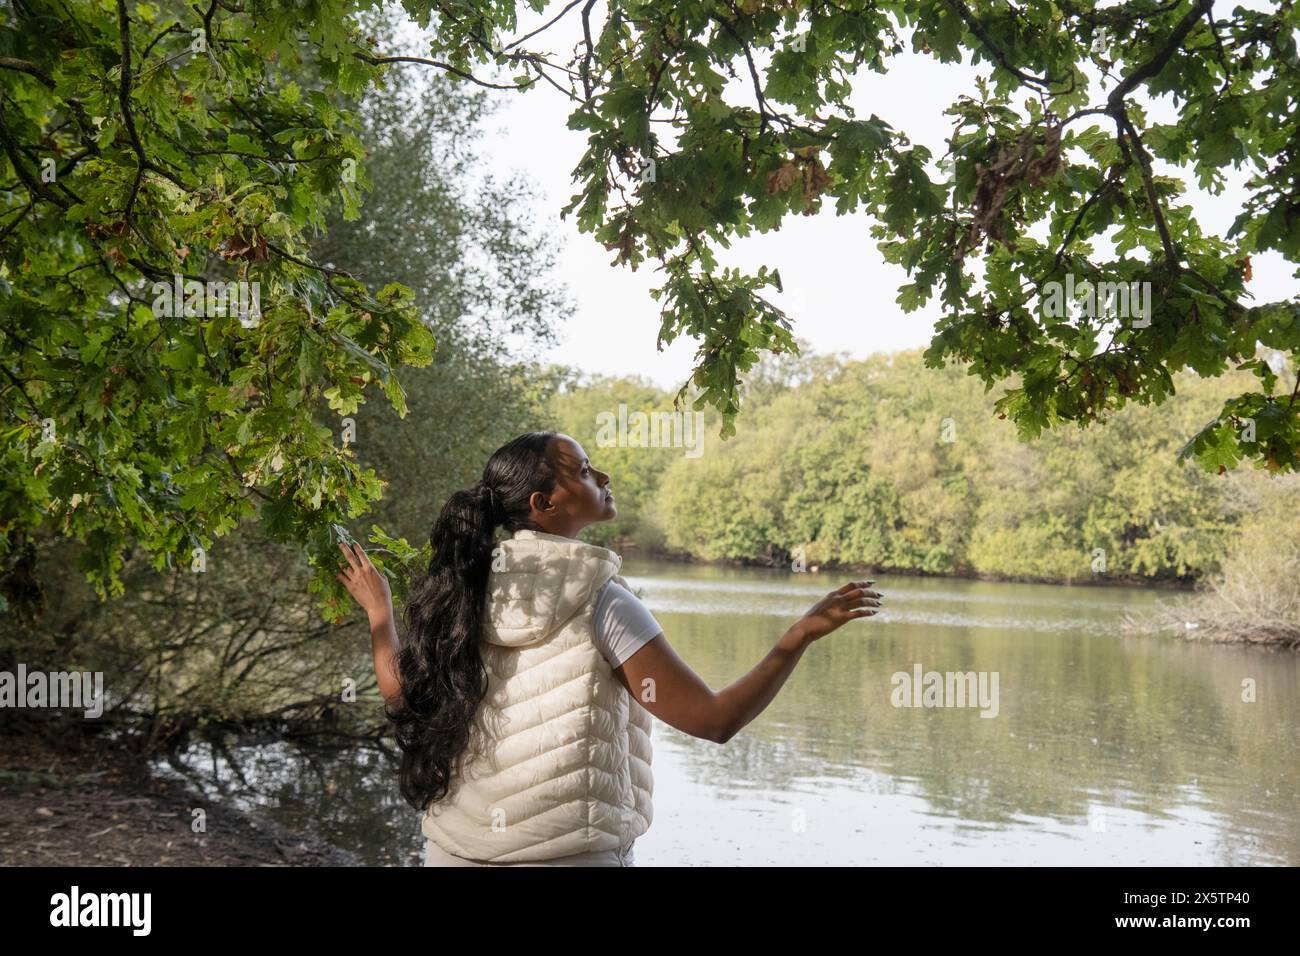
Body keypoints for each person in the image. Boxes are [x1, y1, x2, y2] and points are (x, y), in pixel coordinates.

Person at [335, 430, 882, 866]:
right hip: (568, 853)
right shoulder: (605, 604)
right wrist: (798, 636)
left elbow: (400, 693)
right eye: (583, 470)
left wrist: (380, 614)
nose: (603, 475)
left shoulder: (466, 589)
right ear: (543, 503)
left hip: (452, 849)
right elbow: (714, 721)